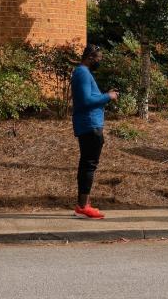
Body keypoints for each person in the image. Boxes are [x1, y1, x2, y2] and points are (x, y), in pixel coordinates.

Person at [71, 44, 118, 219]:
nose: (100, 61)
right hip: (90, 126)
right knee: (89, 165)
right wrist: (108, 96)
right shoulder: (83, 73)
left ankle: (82, 204)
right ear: (90, 57)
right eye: (98, 58)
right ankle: (83, 207)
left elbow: (89, 97)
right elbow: (85, 101)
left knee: (86, 164)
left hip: (89, 125)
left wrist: (105, 94)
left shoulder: (82, 72)